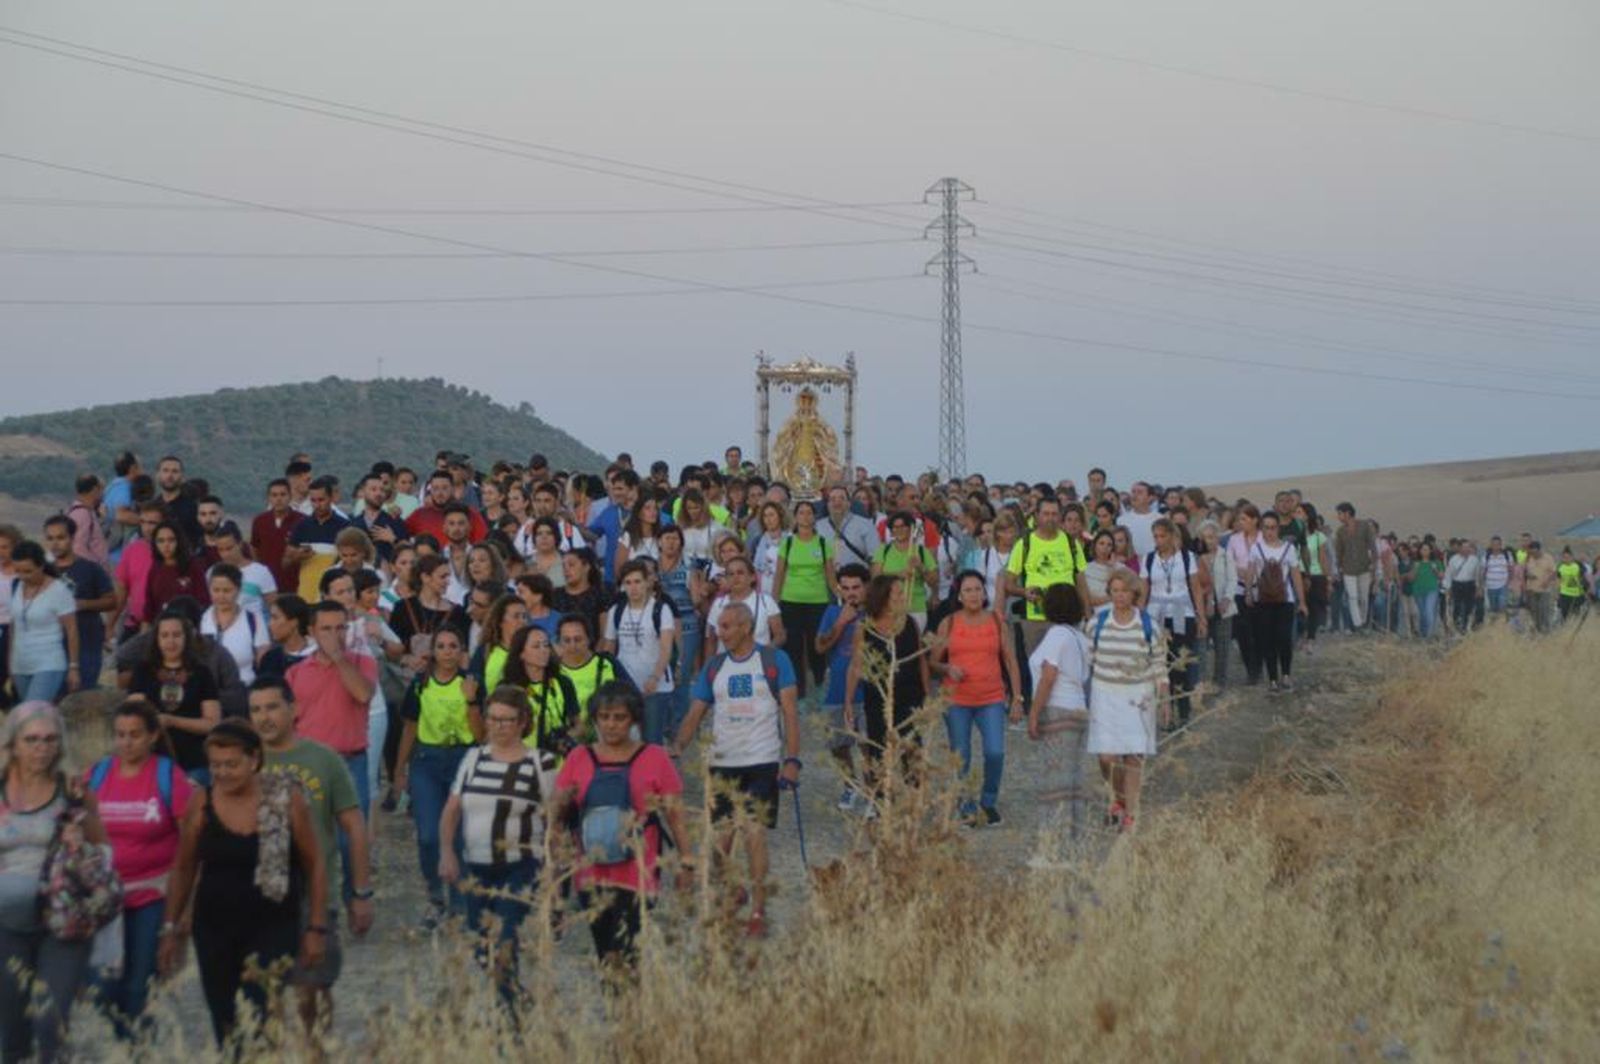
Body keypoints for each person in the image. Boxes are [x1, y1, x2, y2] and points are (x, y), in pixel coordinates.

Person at [160, 721, 328, 1048]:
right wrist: (170, 927)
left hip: (273, 924)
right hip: (214, 929)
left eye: (231, 764)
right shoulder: (202, 802)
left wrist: (316, 926)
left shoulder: (285, 798)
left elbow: (314, 864)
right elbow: (184, 867)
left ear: (254, 760)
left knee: (262, 1015)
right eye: (216, 765)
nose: (222, 773)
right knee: (225, 1021)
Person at [250, 677, 374, 1034]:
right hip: (260, 892)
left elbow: (354, 826)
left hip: (315, 891)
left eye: (272, 707)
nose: (264, 717)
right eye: (256, 710)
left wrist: (361, 892)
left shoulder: (323, 759)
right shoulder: (244, 759)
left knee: (312, 992)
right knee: (264, 997)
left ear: (294, 709)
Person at [677, 603, 801, 938]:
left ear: (746, 627)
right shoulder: (715, 666)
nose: (721, 631)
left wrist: (792, 759)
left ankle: (758, 910)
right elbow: (696, 711)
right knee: (720, 844)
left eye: (728, 625)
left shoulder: (775, 661)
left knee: (754, 836)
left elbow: (789, 711)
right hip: (722, 763)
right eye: (719, 625)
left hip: (761, 760)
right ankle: (734, 889)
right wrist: (676, 747)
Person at [552, 683, 689, 976]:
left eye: (619, 717)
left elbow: (674, 814)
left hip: (639, 869)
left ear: (633, 720)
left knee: (630, 946)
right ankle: (620, 1009)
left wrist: (686, 861)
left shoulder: (655, 757)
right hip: (590, 870)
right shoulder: (578, 758)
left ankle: (629, 1007)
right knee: (604, 948)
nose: (611, 725)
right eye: (604, 717)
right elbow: (559, 814)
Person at [438, 685, 559, 1005]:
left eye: (507, 720)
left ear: (522, 723)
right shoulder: (473, 758)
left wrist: (556, 874)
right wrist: (447, 851)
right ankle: (517, 1000)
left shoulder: (540, 763)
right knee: (481, 947)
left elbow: (554, 821)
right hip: (477, 865)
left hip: (521, 864)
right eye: (493, 719)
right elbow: (453, 808)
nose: (499, 726)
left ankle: (510, 1018)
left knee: (505, 940)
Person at [0, 702, 106, 1063]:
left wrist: (80, 845)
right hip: (6, 927)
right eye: (31, 740)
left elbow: (103, 850)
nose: (41, 748)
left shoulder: (73, 791)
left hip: (62, 921)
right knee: (11, 1029)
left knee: (50, 1020)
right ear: (13, 744)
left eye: (49, 739)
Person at [86, 700, 194, 1039]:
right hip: (107, 897)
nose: (126, 742)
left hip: (154, 893)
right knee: (102, 987)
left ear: (152, 737)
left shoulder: (168, 776)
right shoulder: (98, 774)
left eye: (134, 734)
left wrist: (183, 912)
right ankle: (126, 1042)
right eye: (120, 735)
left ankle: (136, 1050)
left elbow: (190, 846)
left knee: (138, 985)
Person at [393, 628, 482, 926]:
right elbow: (409, 727)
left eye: (453, 646)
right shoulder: (421, 684)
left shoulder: (471, 684)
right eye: (441, 646)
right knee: (429, 834)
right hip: (427, 760)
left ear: (461, 651)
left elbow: (481, 735)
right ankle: (435, 895)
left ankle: (459, 899)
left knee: (459, 834)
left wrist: (471, 702)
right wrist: (399, 770)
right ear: (433, 651)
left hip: (463, 759)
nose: (447, 652)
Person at [931, 570, 1023, 826]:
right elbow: (932, 661)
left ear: (985, 593)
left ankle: (988, 801)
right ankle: (966, 804)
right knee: (961, 755)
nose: (974, 594)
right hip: (957, 700)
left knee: (995, 752)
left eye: (978, 589)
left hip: (991, 698)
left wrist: (1017, 697)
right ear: (959, 596)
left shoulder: (996, 621)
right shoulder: (948, 623)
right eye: (968, 590)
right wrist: (948, 668)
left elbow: (1010, 660)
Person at [1087, 571, 1168, 833]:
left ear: (1134, 593)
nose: (1120, 595)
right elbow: (1087, 658)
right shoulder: (1097, 622)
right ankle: (1118, 797)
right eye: (1115, 590)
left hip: (1138, 696)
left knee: (1133, 756)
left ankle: (1130, 813)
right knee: (1107, 756)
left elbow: (1158, 662)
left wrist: (1163, 697)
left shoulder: (1148, 625)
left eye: (1124, 590)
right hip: (1105, 694)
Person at [843, 575, 929, 818]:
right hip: (878, 699)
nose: (903, 597)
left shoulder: (909, 623)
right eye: (897, 593)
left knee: (913, 751)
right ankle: (881, 802)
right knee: (879, 750)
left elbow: (920, 658)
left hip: (910, 697)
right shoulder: (865, 628)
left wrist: (926, 696)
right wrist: (849, 701)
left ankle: (914, 804)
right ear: (883, 598)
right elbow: (856, 664)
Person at [1024, 585, 1093, 839]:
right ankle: (1075, 831)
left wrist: (1034, 713)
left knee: (1055, 774)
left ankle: (1054, 832)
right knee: (1073, 774)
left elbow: (1048, 675)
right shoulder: (1080, 638)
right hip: (1077, 707)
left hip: (1057, 709)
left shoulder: (1056, 636)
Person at [124, 612, 221, 779]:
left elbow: (212, 723)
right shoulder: (143, 671)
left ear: (186, 637)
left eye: (176, 635)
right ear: (157, 639)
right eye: (165, 635)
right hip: (153, 762)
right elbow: (133, 715)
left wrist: (171, 721)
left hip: (195, 762)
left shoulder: (201, 672)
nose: (171, 641)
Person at [599, 561, 677, 744]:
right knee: (626, 739)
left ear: (647, 583)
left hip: (656, 686)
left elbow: (666, 647)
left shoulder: (660, 609)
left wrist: (655, 677)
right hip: (625, 684)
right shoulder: (616, 611)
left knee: (651, 739)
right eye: (628, 582)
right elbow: (609, 647)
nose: (633, 587)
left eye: (637, 581)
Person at [1001, 497, 1089, 658]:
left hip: (1067, 619)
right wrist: (1024, 592)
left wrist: (1087, 614)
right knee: (1037, 667)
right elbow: (1008, 583)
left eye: (1054, 514)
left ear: (1060, 516)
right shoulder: (1025, 544)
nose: (1050, 518)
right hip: (1036, 619)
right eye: (1046, 514)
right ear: (1037, 516)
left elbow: (1081, 583)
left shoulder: (1071, 543)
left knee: (1066, 667)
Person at [1142, 518, 1207, 724]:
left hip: (1182, 612)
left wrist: (1201, 616)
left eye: (1162, 536)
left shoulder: (1186, 558)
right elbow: (1144, 590)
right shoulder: (1149, 559)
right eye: (1156, 536)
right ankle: (1166, 714)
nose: (1159, 540)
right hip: (1156, 614)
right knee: (1161, 665)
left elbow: (1196, 588)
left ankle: (1184, 711)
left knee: (1182, 662)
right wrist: (1140, 617)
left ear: (1172, 536)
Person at [771, 500, 838, 701]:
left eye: (809, 513)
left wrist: (842, 594)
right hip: (791, 601)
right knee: (793, 647)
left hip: (818, 602)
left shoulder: (823, 543)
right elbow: (779, 574)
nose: (806, 516)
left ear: (814, 517)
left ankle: (818, 684)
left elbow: (830, 576)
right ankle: (797, 690)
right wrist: (774, 603)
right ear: (796, 516)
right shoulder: (788, 542)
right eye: (801, 512)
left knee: (816, 646)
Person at [41, 516, 114, 693]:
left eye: (60, 537)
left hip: (86, 645)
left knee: (81, 699)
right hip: (50, 647)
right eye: (50, 538)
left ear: (72, 538)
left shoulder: (90, 569)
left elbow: (111, 600)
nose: (55, 544)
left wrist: (82, 604)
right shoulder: (42, 571)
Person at [818, 564, 868, 812]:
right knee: (838, 745)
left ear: (866, 587)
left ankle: (873, 790)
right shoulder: (832, 612)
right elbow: (820, 647)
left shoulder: (876, 613)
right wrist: (840, 623)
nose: (851, 593)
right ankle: (851, 785)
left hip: (868, 689)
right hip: (837, 688)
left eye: (856, 587)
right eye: (845, 588)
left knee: (868, 744)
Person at [5, 541, 79, 703]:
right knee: (31, 715)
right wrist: (10, 661)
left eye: (28, 572)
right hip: (21, 662)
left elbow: (71, 629)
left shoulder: (58, 590)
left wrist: (73, 666)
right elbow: (14, 627)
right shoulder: (17, 585)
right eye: (18, 571)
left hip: (48, 660)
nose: (23, 576)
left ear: (41, 567)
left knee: (33, 709)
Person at [1246, 512, 1307, 693]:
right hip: (1263, 600)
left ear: (1278, 528)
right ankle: (1272, 678)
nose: (1270, 531)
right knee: (1267, 639)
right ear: (1262, 529)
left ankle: (1286, 674)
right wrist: (1249, 592)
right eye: (1266, 527)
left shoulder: (1288, 548)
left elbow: (1296, 575)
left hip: (1285, 600)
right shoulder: (1256, 548)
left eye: (1273, 527)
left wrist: (1301, 601)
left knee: (1284, 638)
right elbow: (1250, 571)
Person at [503, 625, 581, 760]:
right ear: (521, 653)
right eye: (536, 646)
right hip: (523, 762)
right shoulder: (509, 688)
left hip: (559, 765)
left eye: (546, 645)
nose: (544, 651)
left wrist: (564, 739)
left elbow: (579, 725)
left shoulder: (562, 682)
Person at [200, 564, 270, 686]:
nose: (221, 596)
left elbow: (264, 661)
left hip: (245, 689)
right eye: (216, 590)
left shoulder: (253, 620)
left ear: (238, 590)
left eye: (227, 591)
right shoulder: (202, 619)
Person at [703, 557, 785, 660]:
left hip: (759, 663)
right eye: (731, 574)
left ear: (752, 577)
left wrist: (765, 653)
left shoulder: (766, 601)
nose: (735, 577)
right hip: (725, 664)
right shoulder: (718, 604)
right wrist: (708, 668)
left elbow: (780, 635)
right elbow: (711, 641)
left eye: (740, 573)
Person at [872, 511, 939, 633]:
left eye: (903, 526)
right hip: (889, 607)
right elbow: (876, 578)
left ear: (910, 529)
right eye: (895, 527)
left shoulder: (921, 551)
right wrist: (899, 574)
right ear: (891, 531)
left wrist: (921, 567)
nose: (899, 530)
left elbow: (934, 581)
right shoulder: (883, 551)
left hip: (915, 607)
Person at [143, 521, 210, 624]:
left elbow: (204, 601)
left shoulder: (193, 567)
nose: (166, 545)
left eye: (171, 540)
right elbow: (149, 608)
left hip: (188, 627)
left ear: (179, 541)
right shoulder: (155, 569)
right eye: (161, 541)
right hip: (161, 628)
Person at [1197, 522, 1238, 691]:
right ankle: (1201, 682)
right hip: (1204, 608)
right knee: (1201, 648)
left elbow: (1232, 579)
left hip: (1223, 607)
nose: (1210, 541)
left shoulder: (1226, 555)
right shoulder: (1197, 558)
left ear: (1218, 537)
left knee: (1222, 647)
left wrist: (1227, 599)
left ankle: (1220, 681)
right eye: (1206, 537)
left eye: (1212, 537)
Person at [250, 478, 304, 595]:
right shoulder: (260, 521)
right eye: (274, 495)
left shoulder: (302, 520)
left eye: (282, 494)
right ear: (269, 498)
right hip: (267, 587)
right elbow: (254, 548)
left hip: (294, 585)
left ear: (290, 496)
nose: (278, 499)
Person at [1333, 503, 1378, 631]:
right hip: (1348, 570)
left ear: (1347, 513)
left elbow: (1372, 547)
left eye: (1340, 513)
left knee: (1364, 597)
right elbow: (1339, 552)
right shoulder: (1340, 531)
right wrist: (1339, 568)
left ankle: (1363, 621)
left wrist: (1374, 565)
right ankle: (1358, 624)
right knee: (1352, 597)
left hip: (1364, 568)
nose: (1338, 517)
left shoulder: (1364, 526)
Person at [1404, 542, 1445, 639]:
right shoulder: (1415, 563)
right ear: (1420, 551)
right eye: (1422, 549)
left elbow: (1441, 576)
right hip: (1418, 591)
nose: (1424, 551)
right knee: (1422, 613)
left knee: (1429, 611)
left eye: (1427, 549)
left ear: (1430, 551)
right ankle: (1423, 633)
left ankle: (1429, 635)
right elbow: (1410, 579)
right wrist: (1415, 569)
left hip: (1432, 590)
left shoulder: (1436, 562)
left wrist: (1435, 570)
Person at [1445, 540, 1485, 634]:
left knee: (1469, 606)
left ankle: (1465, 626)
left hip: (1470, 585)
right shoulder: (1454, 559)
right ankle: (1457, 624)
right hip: (1457, 584)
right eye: (1464, 547)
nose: (1466, 549)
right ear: (1460, 548)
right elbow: (1449, 574)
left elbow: (1477, 575)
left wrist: (1478, 588)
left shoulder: (1474, 559)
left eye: (1468, 547)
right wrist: (1448, 587)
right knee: (1457, 606)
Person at [1522, 541, 1558, 634]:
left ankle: (1546, 633)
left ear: (1539, 550)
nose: (1533, 554)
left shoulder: (1548, 558)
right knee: (1534, 613)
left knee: (1544, 612)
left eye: (1535, 552)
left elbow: (1554, 572)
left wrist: (1547, 581)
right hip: (1531, 590)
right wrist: (1528, 575)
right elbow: (1525, 571)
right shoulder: (1529, 558)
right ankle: (1537, 633)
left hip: (1544, 590)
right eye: (1531, 552)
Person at [1556, 547, 1587, 623]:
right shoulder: (1560, 567)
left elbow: (1583, 578)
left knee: (1576, 614)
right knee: (1564, 614)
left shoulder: (1577, 566)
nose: (1566, 559)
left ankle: (1574, 627)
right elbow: (1559, 580)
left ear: (1572, 557)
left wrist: (1584, 591)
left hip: (1576, 594)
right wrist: (1558, 592)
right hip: (1564, 594)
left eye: (1568, 557)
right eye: (1564, 557)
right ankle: (1565, 628)